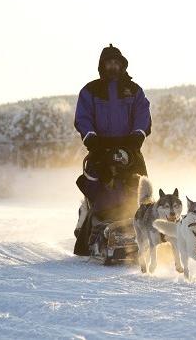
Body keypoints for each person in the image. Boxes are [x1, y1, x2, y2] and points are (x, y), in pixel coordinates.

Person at [73, 44, 151, 256]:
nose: (113, 66)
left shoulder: (134, 91)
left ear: (122, 65)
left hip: (130, 146)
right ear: (102, 65)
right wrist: (92, 139)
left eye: (117, 62)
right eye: (109, 63)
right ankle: (97, 222)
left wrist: (137, 136)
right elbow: (83, 117)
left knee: (140, 185)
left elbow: (143, 115)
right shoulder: (90, 91)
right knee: (97, 183)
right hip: (100, 148)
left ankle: (143, 223)